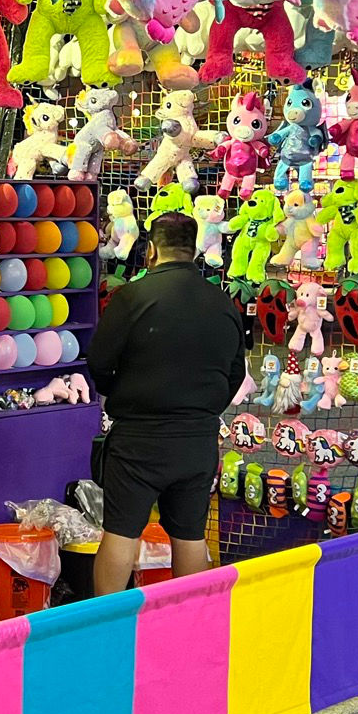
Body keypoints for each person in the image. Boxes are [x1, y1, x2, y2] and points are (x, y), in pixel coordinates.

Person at [85, 211, 246, 595]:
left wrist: (123, 394)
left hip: (139, 437)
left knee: (121, 532)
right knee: (190, 535)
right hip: (197, 438)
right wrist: (200, 411)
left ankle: (109, 628)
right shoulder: (223, 303)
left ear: (151, 251)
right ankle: (191, 625)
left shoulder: (132, 297)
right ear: (193, 251)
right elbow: (235, 373)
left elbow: (99, 364)